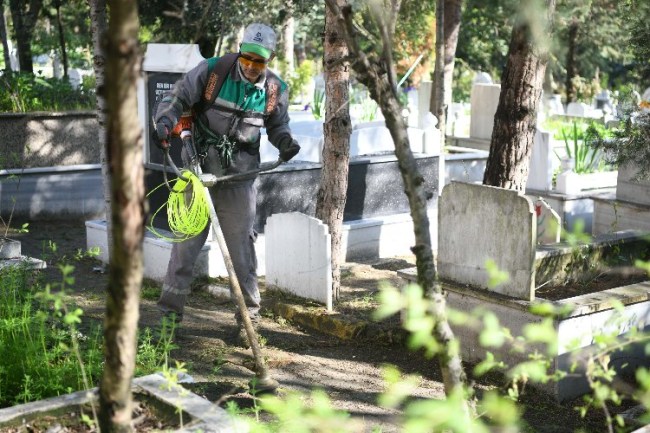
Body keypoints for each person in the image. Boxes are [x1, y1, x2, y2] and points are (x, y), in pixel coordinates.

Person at [153, 23, 301, 347]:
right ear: (240, 50)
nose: (251, 66)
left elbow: (278, 126)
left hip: (238, 179)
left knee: (242, 254)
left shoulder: (274, 90)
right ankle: (168, 321)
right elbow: (176, 98)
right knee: (184, 251)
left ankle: (249, 322)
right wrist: (164, 123)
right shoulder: (212, 72)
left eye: (259, 61)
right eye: (247, 58)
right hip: (197, 172)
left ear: (270, 60)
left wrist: (285, 142)